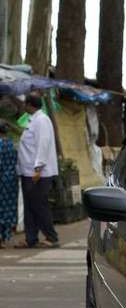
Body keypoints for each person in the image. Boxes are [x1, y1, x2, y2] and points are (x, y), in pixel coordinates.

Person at [15, 91, 59, 249]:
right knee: (29, 206)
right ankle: (30, 238)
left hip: (38, 173)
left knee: (39, 205)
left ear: (29, 105)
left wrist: (38, 168)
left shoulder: (42, 120)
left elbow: (43, 144)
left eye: (25, 104)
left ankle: (51, 237)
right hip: (28, 171)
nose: (23, 106)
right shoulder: (33, 120)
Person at [0, 121, 18, 248]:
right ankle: (4, 237)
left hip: (1, 180)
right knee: (7, 209)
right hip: (11, 181)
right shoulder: (12, 144)